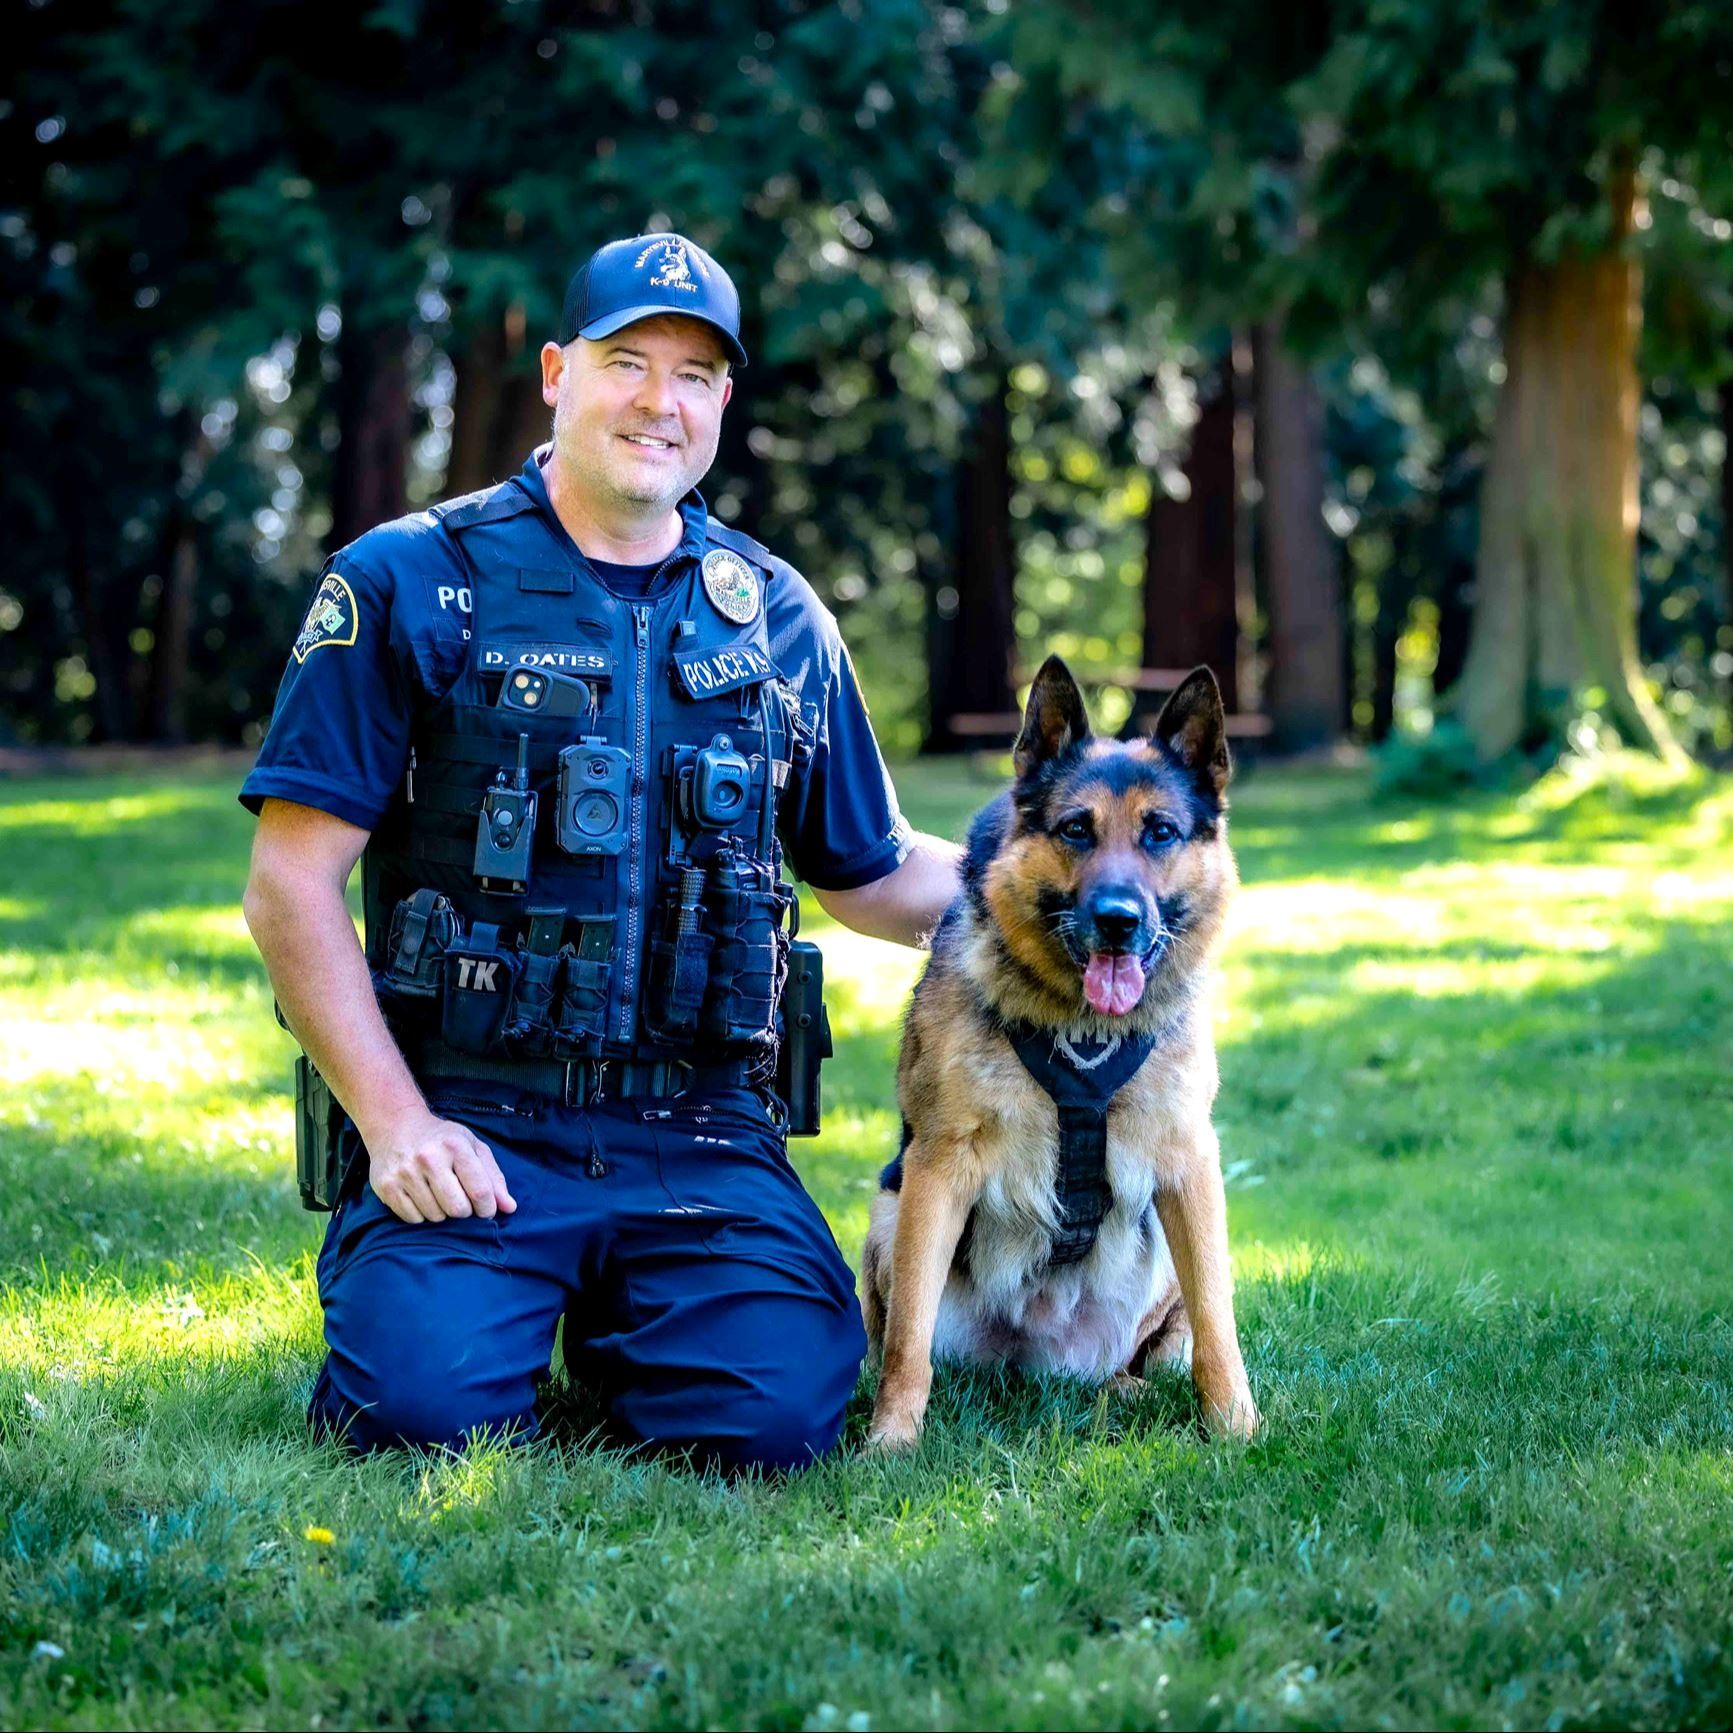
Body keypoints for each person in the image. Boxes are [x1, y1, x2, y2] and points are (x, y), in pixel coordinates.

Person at [240, 232, 961, 1470]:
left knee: (770, 1425)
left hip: (700, 1132)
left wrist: (1070, 904)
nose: (657, 401)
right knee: (416, 1417)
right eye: (627, 361)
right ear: (555, 372)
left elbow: (872, 870)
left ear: (721, 403)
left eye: (693, 375)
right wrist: (397, 1124)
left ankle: (635, 1316)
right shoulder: (410, 580)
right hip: (472, 1119)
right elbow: (288, 887)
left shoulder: (776, 615)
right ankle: (486, 1298)